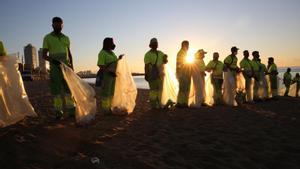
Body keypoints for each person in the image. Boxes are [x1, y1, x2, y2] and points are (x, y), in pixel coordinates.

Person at [43, 17, 75, 119]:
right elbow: (44, 55)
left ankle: (71, 112)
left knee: (68, 90)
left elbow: (69, 54)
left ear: (62, 25)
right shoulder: (47, 37)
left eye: (60, 25)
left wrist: (72, 67)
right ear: (52, 25)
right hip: (55, 68)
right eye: (56, 25)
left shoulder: (66, 38)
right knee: (56, 91)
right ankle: (58, 113)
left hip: (66, 67)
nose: (58, 27)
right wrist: (54, 61)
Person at [97, 38, 124, 113]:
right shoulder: (102, 53)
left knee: (111, 92)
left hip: (113, 75)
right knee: (106, 92)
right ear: (107, 44)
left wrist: (119, 58)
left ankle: (110, 107)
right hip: (106, 76)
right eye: (112, 43)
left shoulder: (112, 53)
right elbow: (100, 65)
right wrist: (109, 71)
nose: (113, 44)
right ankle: (105, 109)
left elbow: (114, 62)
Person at [144, 38, 168, 109]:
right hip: (152, 75)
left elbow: (165, 62)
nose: (155, 45)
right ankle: (154, 106)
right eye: (154, 44)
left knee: (160, 90)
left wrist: (165, 58)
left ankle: (159, 104)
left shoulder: (161, 53)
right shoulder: (147, 54)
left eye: (156, 43)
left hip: (161, 75)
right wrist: (146, 74)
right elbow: (146, 65)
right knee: (153, 91)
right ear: (151, 45)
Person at [176, 41, 191, 108]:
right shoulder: (181, 53)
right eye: (186, 45)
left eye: (188, 45)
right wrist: (179, 73)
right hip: (182, 73)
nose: (188, 47)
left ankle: (184, 103)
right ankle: (180, 103)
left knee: (186, 88)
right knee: (182, 88)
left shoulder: (185, 53)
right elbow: (179, 64)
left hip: (186, 73)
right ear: (183, 45)